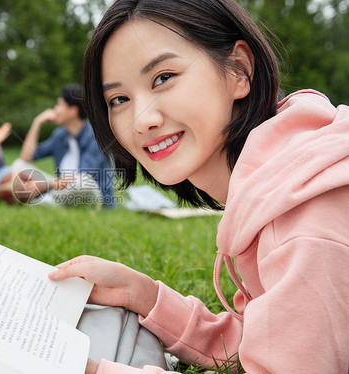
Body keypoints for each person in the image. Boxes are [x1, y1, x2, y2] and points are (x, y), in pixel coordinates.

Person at [48, 0, 349, 373]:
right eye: (120, 99)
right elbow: (275, 339)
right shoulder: (281, 183)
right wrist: (144, 295)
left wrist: (87, 370)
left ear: (239, 70)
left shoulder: (305, 221)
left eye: (163, 78)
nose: (142, 121)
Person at [18, 83, 116, 207]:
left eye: (59, 105)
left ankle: (45, 199)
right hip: (60, 189)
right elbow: (26, 157)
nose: (55, 109)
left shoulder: (96, 137)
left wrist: (46, 185)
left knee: (81, 183)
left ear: (73, 111)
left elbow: (83, 176)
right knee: (19, 166)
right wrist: (37, 122)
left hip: (92, 195)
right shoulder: (60, 136)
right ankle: (49, 200)